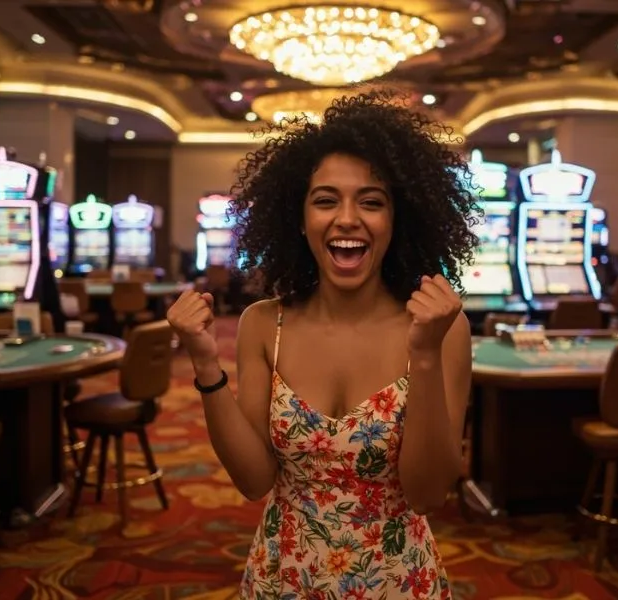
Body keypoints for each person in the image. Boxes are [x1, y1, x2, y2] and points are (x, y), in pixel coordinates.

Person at [167, 90, 481, 598]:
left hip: (399, 581)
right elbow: (253, 481)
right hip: (284, 576)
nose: (348, 219)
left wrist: (423, 354)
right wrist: (206, 364)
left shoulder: (443, 329)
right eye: (326, 199)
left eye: (372, 202)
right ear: (299, 217)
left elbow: (427, 493)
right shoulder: (262, 324)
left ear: (398, 220)